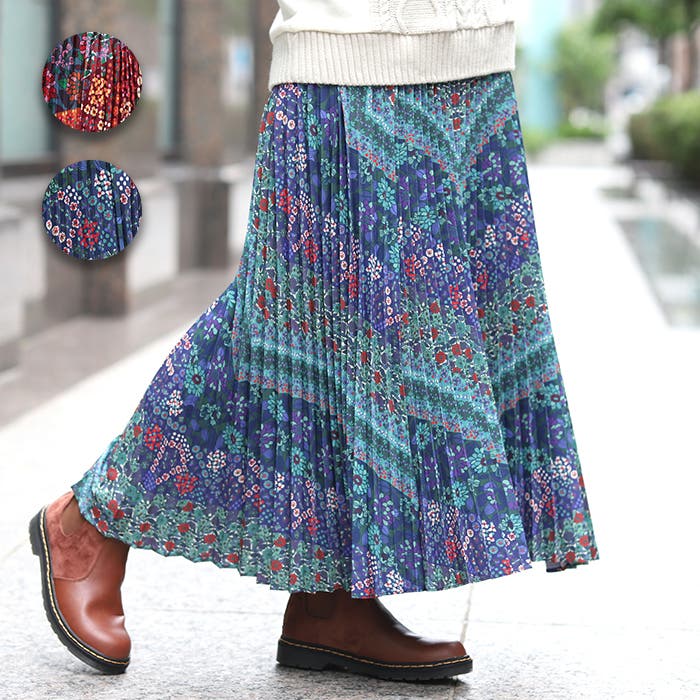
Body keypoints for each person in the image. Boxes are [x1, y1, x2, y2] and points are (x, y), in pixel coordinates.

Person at [29, 0, 600, 682]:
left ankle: (330, 606)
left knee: (420, 332)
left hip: (473, 57)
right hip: (348, 54)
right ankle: (91, 517)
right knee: (283, 326)